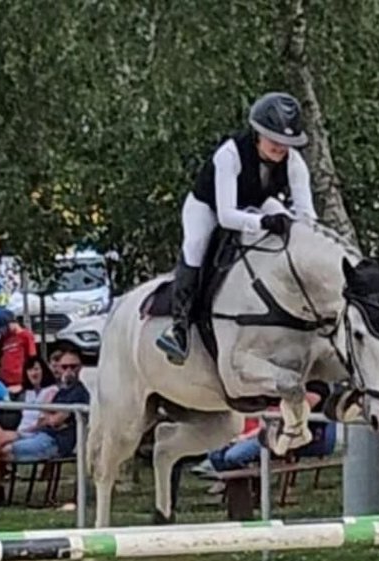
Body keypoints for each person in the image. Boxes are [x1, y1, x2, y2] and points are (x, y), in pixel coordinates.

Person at [156, 91, 317, 364]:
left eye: (286, 142)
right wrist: (263, 222)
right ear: (258, 132)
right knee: (195, 245)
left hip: (258, 201)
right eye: (274, 139)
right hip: (209, 207)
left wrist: (299, 231)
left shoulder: (294, 163)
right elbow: (227, 216)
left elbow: (307, 214)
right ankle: (179, 328)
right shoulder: (230, 154)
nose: (280, 147)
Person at [0, 347, 90, 511]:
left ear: (81, 367)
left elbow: (53, 420)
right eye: (65, 367)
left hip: (53, 441)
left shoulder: (79, 393)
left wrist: (49, 417)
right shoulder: (60, 391)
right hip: (35, 434)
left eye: (73, 367)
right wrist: (49, 417)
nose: (69, 371)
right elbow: (46, 416)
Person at [191, 387, 336, 475]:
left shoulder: (313, 389)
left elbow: (279, 420)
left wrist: (245, 437)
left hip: (285, 436)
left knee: (233, 456)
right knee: (214, 454)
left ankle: (252, 483)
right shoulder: (272, 388)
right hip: (256, 430)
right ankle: (238, 485)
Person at [0, 308, 37, 396]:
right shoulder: (4, 338)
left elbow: (32, 357)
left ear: (13, 322)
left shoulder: (26, 336)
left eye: (6, 327)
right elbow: (0, 357)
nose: (5, 331)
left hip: (20, 383)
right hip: (4, 382)